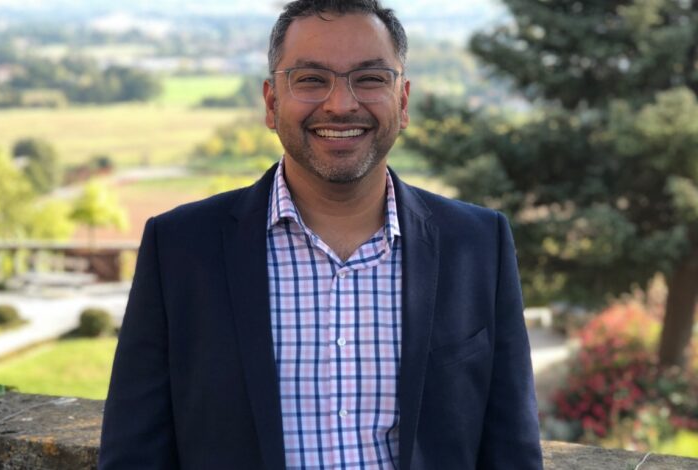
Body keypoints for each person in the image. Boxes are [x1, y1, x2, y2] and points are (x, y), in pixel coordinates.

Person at [99, 0, 543, 468]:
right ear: (272, 103)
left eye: (370, 78)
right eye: (311, 79)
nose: (341, 104)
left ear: (403, 101)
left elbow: (511, 451)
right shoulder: (179, 249)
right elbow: (135, 455)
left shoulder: (477, 245)